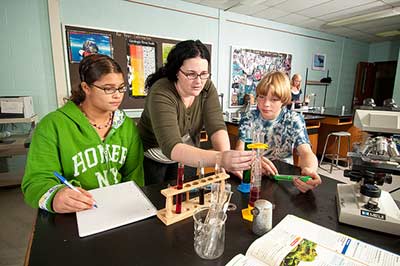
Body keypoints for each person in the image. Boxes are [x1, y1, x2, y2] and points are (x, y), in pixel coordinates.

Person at [22, 54, 144, 213]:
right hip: (76, 212)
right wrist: (56, 197)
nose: (117, 95)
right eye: (108, 88)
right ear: (86, 88)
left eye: (121, 88)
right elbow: (36, 181)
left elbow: (134, 175)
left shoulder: (126, 125)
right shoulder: (52, 125)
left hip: (118, 210)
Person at [137, 40, 252, 185]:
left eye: (204, 74)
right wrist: (220, 158)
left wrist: (226, 158)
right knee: (158, 200)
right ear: (176, 72)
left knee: (188, 195)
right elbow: (172, 147)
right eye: (191, 74)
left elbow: (216, 127)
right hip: (154, 156)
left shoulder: (206, 87)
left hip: (188, 153)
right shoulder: (161, 91)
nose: (199, 81)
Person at [235, 71, 321, 193]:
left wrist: (310, 171)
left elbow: (306, 152)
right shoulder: (249, 118)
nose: (266, 104)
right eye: (261, 97)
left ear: (283, 100)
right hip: (254, 180)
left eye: (274, 99)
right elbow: (239, 151)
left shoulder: (293, 120)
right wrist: (254, 163)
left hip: (283, 182)